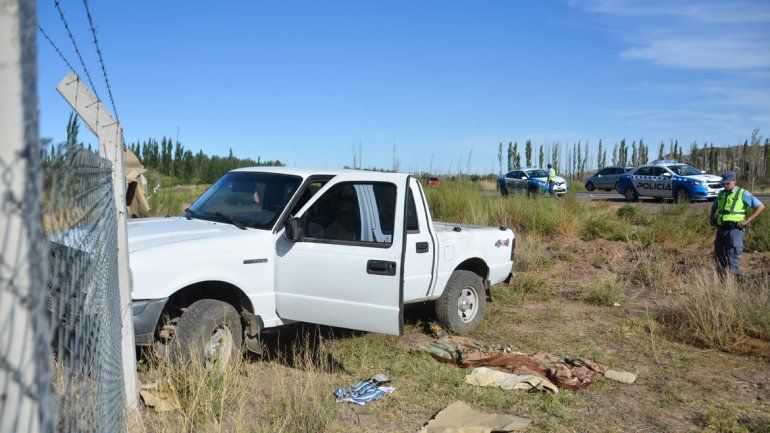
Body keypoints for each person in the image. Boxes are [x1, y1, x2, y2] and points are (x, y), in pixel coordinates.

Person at [710, 171, 764, 277]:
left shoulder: (743, 193)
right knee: (719, 255)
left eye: (727, 183)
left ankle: (734, 281)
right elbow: (714, 206)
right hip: (721, 229)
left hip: (735, 229)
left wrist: (747, 220)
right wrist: (712, 218)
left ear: (734, 181)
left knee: (732, 255)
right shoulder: (721, 193)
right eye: (723, 183)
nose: (725, 185)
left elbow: (760, 206)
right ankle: (722, 281)